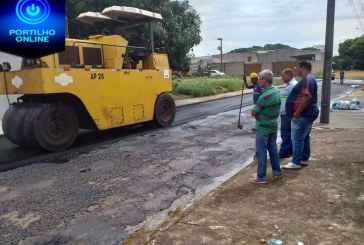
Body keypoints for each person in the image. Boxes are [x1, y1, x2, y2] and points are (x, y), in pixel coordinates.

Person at [282, 61, 319, 169]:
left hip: (304, 114)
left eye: (297, 67)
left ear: (302, 68)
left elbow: (307, 97)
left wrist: (297, 112)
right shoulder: (308, 78)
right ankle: (303, 159)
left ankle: (296, 162)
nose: (296, 70)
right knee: (305, 137)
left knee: (296, 138)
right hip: (307, 114)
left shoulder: (307, 79)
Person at [250, 69, 282, 184]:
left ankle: (261, 177)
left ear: (265, 80)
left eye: (259, 79)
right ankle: (277, 172)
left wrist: (255, 111)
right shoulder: (277, 90)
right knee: (273, 149)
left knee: (261, 151)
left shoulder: (265, 95)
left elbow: (253, 112)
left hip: (263, 127)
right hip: (273, 124)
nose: (258, 81)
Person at [279, 68, 298, 159]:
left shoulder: (293, 85)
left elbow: (294, 100)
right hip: (285, 113)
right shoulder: (289, 85)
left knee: (285, 133)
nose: (282, 77)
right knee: (288, 133)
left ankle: (284, 151)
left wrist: (290, 113)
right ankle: (290, 150)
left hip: (287, 114)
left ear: (289, 75)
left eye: (283, 75)